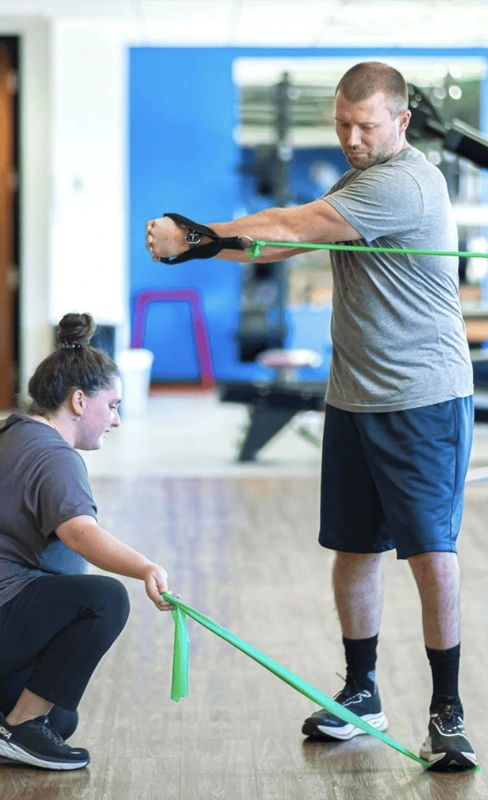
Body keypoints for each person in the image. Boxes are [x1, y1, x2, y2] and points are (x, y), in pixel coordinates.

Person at [145, 62, 476, 771]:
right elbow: (278, 242)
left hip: (419, 398)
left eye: (366, 126)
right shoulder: (355, 181)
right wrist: (200, 243)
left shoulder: (405, 183)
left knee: (429, 553)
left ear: (402, 123)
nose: (353, 139)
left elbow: (293, 222)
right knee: (354, 548)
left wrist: (192, 233)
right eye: (342, 126)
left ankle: (447, 711)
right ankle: (362, 692)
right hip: (355, 397)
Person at [0, 312, 173, 771]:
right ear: (80, 401)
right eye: (113, 405)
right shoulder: (54, 455)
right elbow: (80, 534)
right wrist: (144, 568)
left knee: (56, 717)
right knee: (105, 599)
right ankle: (20, 731)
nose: (116, 420)